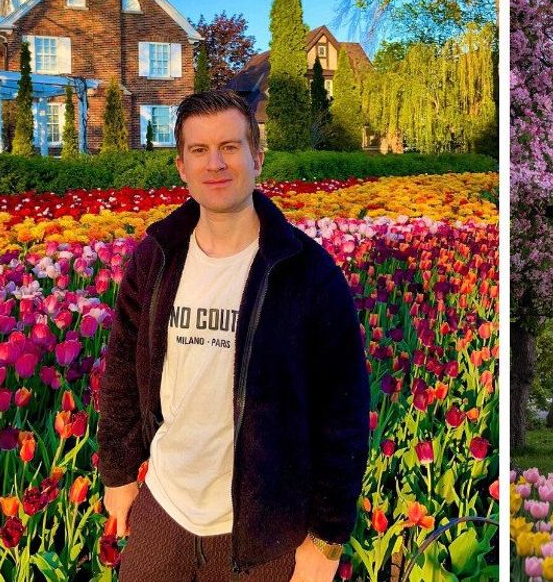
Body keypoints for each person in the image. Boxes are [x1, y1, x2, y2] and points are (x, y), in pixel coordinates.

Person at [97, 89, 369, 581]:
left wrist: (327, 542)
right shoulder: (156, 258)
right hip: (167, 502)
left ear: (256, 158)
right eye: (199, 150)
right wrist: (118, 473)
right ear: (181, 166)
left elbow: (343, 409)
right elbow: (120, 368)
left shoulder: (305, 272)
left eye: (229, 147)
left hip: (264, 522)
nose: (215, 164)